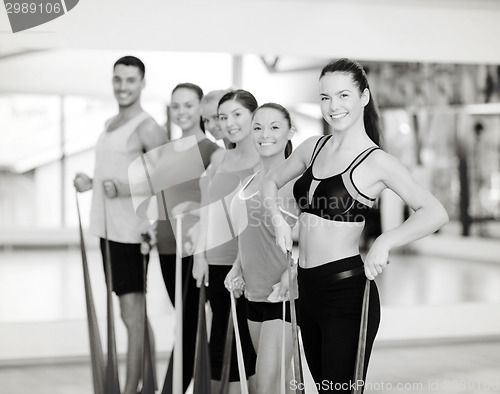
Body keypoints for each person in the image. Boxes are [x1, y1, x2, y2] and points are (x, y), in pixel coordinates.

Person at [262, 58, 449, 393]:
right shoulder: (312, 148)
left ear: (364, 96)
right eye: (325, 97)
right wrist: (277, 220)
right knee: (325, 389)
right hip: (307, 289)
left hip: (346, 293)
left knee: (339, 391)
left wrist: (386, 240)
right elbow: (269, 182)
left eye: (343, 95)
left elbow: (434, 212)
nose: (334, 106)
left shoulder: (377, 161)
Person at [73, 55, 167, 394]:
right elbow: (116, 172)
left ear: (142, 83)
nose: (123, 86)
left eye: (130, 80)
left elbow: (166, 175)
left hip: (130, 233)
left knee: (131, 315)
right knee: (133, 313)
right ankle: (149, 385)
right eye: (118, 79)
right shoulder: (111, 123)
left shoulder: (147, 126)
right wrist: (92, 181)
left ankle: (130, 390)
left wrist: (125, 188)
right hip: (107, 230)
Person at [225, 103, 299, 394]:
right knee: (279, 385)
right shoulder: (249, 182)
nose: (264, 135)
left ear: (289, 132)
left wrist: (292, 274)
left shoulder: (297, 183)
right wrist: (237, 267)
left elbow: (312, 242)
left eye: (274, 127)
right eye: (258, 127)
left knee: (266, 388)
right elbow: (248, 236)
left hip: (285, 297)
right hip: (253, 295)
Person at [193, 89, 259, 393]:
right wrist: (199, 257)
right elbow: (206, 209)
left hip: (247, 266)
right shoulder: (220, 157)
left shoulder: (266, 158)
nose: (229, 123)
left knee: (245, 345)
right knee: (220, 341)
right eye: (223, 117)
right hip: (215, 263)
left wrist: (241, 264)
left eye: (236, 114)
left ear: (252, 115)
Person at [155, 82, 219, 393]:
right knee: (186, 323)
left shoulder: (211, 151)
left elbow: (216, 204)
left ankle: (173, 388)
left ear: (201, 109)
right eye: (176, 106)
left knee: (190, 326)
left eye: (188, 105)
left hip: (193, 252)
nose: (181, 112)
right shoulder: (166, 151)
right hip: (165, 248)